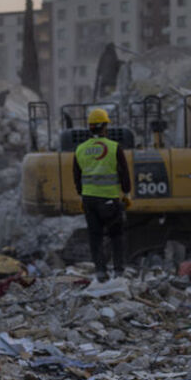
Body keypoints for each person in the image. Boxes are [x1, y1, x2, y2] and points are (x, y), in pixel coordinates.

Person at [72, 108, 132, 282]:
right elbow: (124, 173)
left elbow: (77, 176)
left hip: (89, 200)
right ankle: (119, 271)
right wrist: (126, 194)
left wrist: (82, 195)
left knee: (95, 236)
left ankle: (100, 271)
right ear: (105, 126)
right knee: (116, 235)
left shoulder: (80, 149)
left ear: (90, 128)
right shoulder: (114, 147)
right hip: (109, 199)